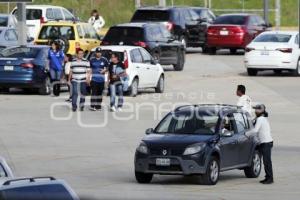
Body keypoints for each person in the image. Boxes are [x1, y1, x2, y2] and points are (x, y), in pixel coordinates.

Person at [252, 104, 274, 184]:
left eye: (256, 110)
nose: (255, 111)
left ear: (260, 111)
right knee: (265, 161)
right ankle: (267, 177)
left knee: (267, 161)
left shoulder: (260, 119)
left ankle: (270, 178)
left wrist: (246, 133)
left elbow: (255, 130)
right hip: (265, 142)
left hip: (266, 143)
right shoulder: (261, 118)